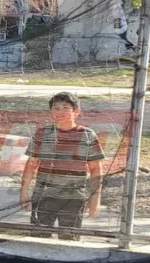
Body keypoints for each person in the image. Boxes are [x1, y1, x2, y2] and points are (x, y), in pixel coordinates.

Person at [19, 92, 104, 241]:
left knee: (69, 239)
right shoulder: (42, 134)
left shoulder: (88, 135)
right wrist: (24, 192)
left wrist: (95, 198)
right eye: (56, 108)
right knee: (39, 237)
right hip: (44, 196)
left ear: (76, 112)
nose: (59, 112)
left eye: (65, 107)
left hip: (74, 197)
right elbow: (31, 165)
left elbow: (96, 169)